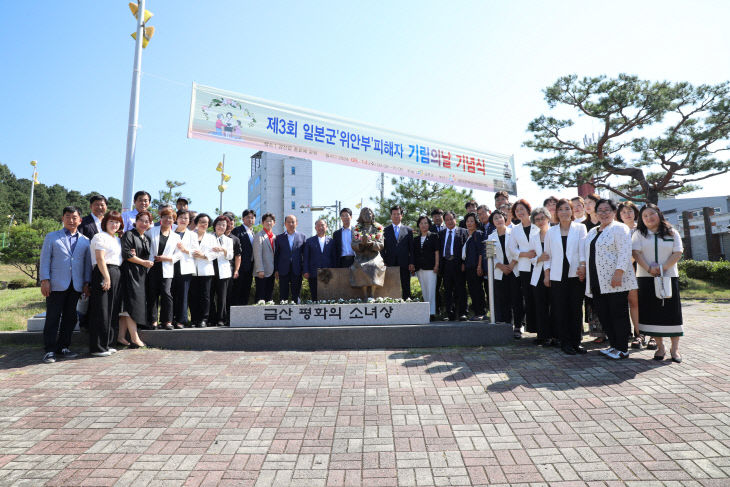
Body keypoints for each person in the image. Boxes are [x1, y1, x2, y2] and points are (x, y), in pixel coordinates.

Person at [581, 199, 637, 360]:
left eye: (607, 210)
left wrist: (618, 273)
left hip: (615, 280)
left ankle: (622, 348)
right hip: (597, 280)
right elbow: (588, 254)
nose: (604, 213)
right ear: (595, 213)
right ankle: (613, 346)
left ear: (614, 212)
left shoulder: (620, 228)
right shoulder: (592, 232)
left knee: (618, 314)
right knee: (604, 314)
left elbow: (625, 252)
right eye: (600, 210)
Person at [632, 204, 684, 362]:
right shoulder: (639, 233)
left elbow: (678, 252)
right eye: (645, 216)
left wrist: (663, 267)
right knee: (653, 313)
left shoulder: (671, 232)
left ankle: (675, 349)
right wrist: (649, 268)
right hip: (646, 277)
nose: (649, 218)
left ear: (659, 214)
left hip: (668, 276)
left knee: (672, 313)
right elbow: (635, 252)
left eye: (651, 214)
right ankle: (660, 348)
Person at [38, 206, 91, 363]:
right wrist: (45, 280)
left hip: (76, 285)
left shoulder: (85, 241)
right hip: (56, 284)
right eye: (68, 216)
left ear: (80, 220)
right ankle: (49, 350)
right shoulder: (52, 237)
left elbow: (86, 265)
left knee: (70, 317)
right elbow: (45, 259)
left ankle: (63, 347)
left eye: (74, 217)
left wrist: (86, 283)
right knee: (53, 317)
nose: (71, 220)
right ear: (63, 219)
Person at [543, 198, 587, 355]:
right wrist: (546, 274)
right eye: (560, 209)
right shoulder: (551, 231)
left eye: (567, 208)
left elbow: (583, 250)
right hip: (557, 274)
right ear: (556, 212)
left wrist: (583, 267)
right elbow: (546, 255)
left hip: (576, 274)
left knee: (576, 308)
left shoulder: (580, 228)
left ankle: (577, 341)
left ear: (572, 211)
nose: (564, 212)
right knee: (560, 309)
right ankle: (565, 342)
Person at [88, 211, 124, 356]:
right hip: (103, 271)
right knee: (101, 309)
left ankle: (108, 343)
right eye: (111, 221)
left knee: (112, 309)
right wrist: (106, 277)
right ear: (105, 223)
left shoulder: (116, 239)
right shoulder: (99, 236)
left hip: (116, 271)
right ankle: (97, 347)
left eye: (117, 222)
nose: (114, 225)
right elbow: (100, 258)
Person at [119, 210, 153, 347]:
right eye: (141, 220)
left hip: (140, 274)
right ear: (135, 221)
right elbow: (127, 254)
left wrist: (143, 262)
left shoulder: (146, 238)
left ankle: (121, 337)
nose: (144, 223)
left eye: (147, 221)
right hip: (129, 273)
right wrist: (143, 262)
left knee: (127, 307)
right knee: (131, 305)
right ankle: (134, 337)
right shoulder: (129, 234)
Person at [146, 207, 181, 330]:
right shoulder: (151, 231)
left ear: (174, 220)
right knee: (152, 294)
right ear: (160, 219)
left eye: (170, 218)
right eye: (165, 217)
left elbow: (179, 254)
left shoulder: (176, 237)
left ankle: (167, 321)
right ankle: (153, 321)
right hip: (152, 266)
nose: (167, 219)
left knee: (166, 293)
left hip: (167, 267)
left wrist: (167, 258)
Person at [508, 199, 538, 337]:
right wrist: (525, 254)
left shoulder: (537, 224)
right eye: (517, 210)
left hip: (540, 265)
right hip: (525, 268)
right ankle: (532, 328)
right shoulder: (515, 229)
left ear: (528, 209)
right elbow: (512, 249)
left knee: (540, 297)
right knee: (528, 297)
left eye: (522, 209)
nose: (520, 212)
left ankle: (544, 329)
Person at [488, 209, 522, 329]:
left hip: (514, 269)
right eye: (495, 218)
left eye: (500, 217)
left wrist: (512, 264)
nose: (498, 220)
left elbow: (518, 249)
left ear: (505, 218)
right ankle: (508, 325)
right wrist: (501, 266)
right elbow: (491, 256)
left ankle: (518, 326)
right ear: (492, 222)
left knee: (516, 299)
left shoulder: (513, 232)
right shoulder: (490, 237)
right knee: (504, 299)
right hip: (500, 271)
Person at [617, 201, 643, 349]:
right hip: (626, 270)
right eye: (623, 212)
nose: (627, 214)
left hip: (643, 268)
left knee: (646, 301)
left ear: (635, 212)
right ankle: (638, 334)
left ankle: (651, 335)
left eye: (630, 211)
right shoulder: (617, 230)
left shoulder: (641, 228)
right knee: (633, 303)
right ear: (619, 215)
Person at [528, 207, 555, 345]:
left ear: (548, 218)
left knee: (554, 305)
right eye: (537, 219)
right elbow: (531, 258)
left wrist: (548, 273)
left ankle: (555, 335)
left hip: (554, 273)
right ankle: (543, 335)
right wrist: (539, 258)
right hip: (538, 274)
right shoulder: (533, 237)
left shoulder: (554, 233)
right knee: (540, 305)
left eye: (542, 218)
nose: (540, 221)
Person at [439, 211, 468, 321]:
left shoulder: (463, 232)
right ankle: (449, 313)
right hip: (446, 264)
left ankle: (462, 313)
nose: (449, 221)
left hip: (458, 264)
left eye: (451, 219)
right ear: (444, 221)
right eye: (447, 220)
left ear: (455, 219)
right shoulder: (441, 234)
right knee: (447, 290)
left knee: (460, 289)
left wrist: (464, 263)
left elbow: (467, 250)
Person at [189, 213, 217, 327]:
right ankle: (194, 319)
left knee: (205, 295)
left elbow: (215, 253)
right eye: (201, 221)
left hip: (206, 270)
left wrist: (203, 255)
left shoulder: (211, 237)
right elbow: (185, 249)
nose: (203, 224)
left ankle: (204, 319)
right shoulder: (190, 235)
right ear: (196, 223)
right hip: (192, 269)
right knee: (193, 295)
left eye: (205, 222)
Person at [382, 205, 415, 299]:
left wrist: (412, 262)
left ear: (402, 215)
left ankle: (407, 306)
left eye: (398, 214)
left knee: (406, 286)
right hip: (389, 263)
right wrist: (383, 261)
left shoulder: (408, 230)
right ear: (391, 216)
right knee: (390, 286)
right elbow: (382, 248)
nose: (396, 216)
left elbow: (411, 248)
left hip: (404, 263)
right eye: (394, 214)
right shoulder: (384, 230)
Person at [172, 210, 197, 328]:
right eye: (181, 217)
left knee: (183, 294)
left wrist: (184, 250)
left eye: (186, 218)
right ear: (176, 219)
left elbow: (196, 252)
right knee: (170, 293)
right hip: (170, 266)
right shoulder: (170, 232)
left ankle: (182, 319)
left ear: (189, 221)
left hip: (185, 267)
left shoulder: (192, 234)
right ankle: (169, 318)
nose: (183, 220)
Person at [413, 215, 440, 320]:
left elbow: (436, 252)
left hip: (431, 268)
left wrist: (436, 265)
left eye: (425, 223)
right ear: (418, 225)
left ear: (429, 224)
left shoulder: (433, 236)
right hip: (420, 268)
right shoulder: (415, 239)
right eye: (421, 223)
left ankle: (432, 313)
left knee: (431, 290)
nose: (423, 225)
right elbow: (414, 254)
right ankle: (426, 312)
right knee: (424, 290)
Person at [275, 215, 306, 303]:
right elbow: (276, 255)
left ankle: (296, 313)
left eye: (293, 222)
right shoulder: (279, 238)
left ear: (297, 223)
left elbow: (304, 255)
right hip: (283, 269)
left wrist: (304, 269)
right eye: (288, 222)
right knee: (283, 294)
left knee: (296, 294)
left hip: (297, 269)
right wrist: (276, 269)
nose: (291, 224)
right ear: (285, 224)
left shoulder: (302, 237)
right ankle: (283, 313)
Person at [303, 219, 337, 301]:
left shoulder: (331, 241)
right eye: (318, 225)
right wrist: (306, 271)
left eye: (323, 225)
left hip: (328, 272)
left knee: (328, 296)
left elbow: (334, 257)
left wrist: (335, 270)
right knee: (315, 295)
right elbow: (306, 257)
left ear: (326, 227)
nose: (321, 227)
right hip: (313, 272)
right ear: (315, 227)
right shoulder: (309, 241)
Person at [210, 215, 235, 325]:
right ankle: (211, 319)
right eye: (219, 224)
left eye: (224, 225)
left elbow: (230, 256)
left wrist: (223, 250)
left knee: (222, 296)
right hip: (210, 268)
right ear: (215, 225)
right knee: (210, 295)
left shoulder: (229, 240)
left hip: (223, 270)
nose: (221, 227)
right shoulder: (208, 237)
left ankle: (221, 319)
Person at [462, 212, 486, 320]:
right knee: (472, 290)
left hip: (476, 267)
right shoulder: (467, 235)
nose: (469, 223)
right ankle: (477, 313)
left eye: (472, 221)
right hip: (468, 267)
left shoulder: (478, 234)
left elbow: (481, 251)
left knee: (478, 290)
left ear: (476, 222)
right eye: (467, 221)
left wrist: (479, 266)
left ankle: (481, 313)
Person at [231, 209, 256, 305]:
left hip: (250, 268)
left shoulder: (253, 233)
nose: (250, 220)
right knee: (237, 292)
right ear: (243, 219)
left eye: (252, 218)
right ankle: (233, 317)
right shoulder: (237, 231)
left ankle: (243, 315)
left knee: (246, 292)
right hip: (239, 268)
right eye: (248, 217)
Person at [253, 213, 276, 302]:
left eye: (271, 221)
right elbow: (257, 254)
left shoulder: (274, 236)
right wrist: (260, 269)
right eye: (266, 221)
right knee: (260, 296)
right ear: (262, 223)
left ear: (274, 223)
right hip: (262, 272)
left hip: (271, 271)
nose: (269, 223)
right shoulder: (259, 235)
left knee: (269, 296)